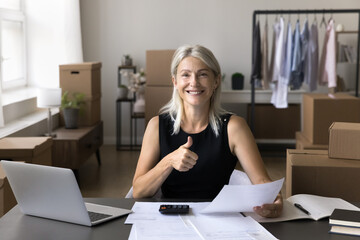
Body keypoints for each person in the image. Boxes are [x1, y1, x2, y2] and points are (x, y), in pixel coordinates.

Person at [132, 44, 283, 218]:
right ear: (175, 81)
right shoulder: (156, 126)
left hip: (220, 220)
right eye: (186, 75)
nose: (194, 82)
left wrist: (275, 199)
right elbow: (139, 191)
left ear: (216, 81)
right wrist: (168, 161)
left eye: (203, 74)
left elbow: (262, 182)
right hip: (170, 219)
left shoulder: (235, 127)